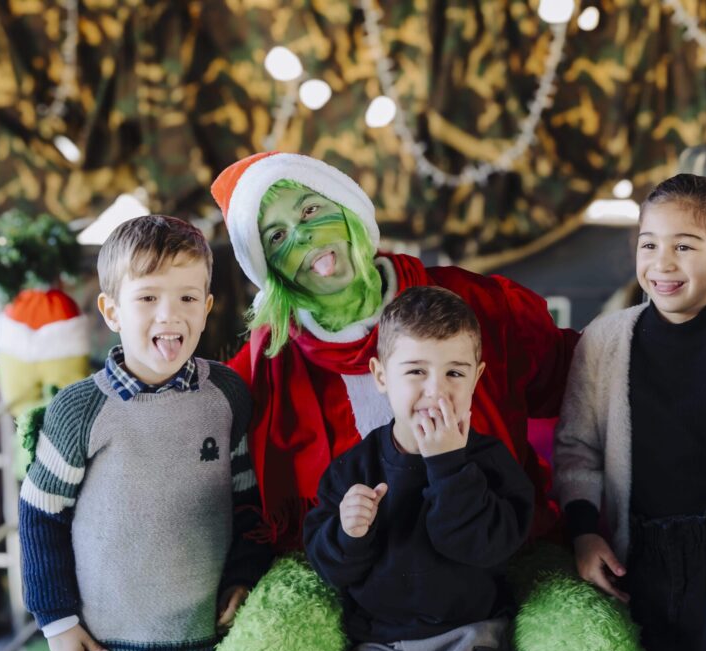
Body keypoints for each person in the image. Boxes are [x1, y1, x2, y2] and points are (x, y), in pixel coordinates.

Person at [209, 151, 578, 552]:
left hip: (494, 551)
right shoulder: (267, 363)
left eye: (311, 210)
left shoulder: (476, 304)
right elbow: (197, 428)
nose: (302, 236)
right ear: (270, 269)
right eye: (276, 236)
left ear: (348, 210)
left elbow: (581, 379)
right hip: (353, 567)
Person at [19, 216, 270, 651]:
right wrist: (56, 618)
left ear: (208, 305)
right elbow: (40, 515)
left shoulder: (228, 396)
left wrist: (244, 576)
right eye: (148, 297)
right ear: (111, 311)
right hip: (101, 641)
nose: (169, 314)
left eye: (187, 298)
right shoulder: (80, 410)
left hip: (200, 632)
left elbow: (246, 502)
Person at [553, 174, 706, 651]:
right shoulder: (604, 340)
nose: (662, 262)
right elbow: (576, 450)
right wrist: (585, 535)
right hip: (634, 558)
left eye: (684, 246)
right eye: (649, 243)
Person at [304, 286, 532, 651]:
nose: (435, 391)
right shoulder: (355, 468)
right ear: (380, 376)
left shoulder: (491, 461)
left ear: (476, 378)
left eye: (455, 373)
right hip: (381, 643)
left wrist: (447, 466)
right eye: (415, 371)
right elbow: (329, 568)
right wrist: (347, 533)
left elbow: (488, 549)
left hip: (471, 635)